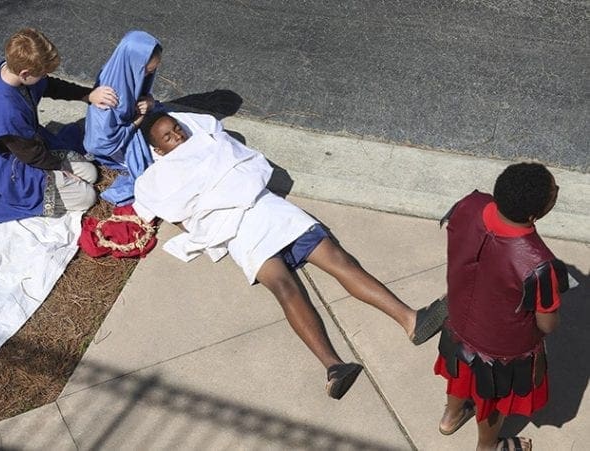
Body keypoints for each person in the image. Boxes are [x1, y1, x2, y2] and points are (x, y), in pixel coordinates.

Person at [133, 111, 448, 400]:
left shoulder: (207, 139)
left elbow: (207, 128)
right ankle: (333, 366)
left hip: (270, 212)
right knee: (286, 290)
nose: (179, 137)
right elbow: (172, 213)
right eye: (169, 138)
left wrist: (155, 109)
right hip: (240, 232)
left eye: (178, 129)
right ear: (157, 150)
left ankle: (411, 320)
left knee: (340, 263)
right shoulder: (159, 178)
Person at [434, 162, 569, 450]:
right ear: (535, 215)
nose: (556, 191)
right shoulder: (539, 264)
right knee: (491, 400)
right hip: (501, 352)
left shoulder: (468, 205)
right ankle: (488, 446)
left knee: (459, 371)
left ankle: (451, 417)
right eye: (553, 193)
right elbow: (547, 324)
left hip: (459, 320)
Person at [0, 28, 117, 225]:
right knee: (87, 196)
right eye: (42, 74)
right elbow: (30, 154)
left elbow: (50, 86)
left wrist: (87, 95)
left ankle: (59, 178)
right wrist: (60, 168)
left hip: (30, 143)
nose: (45, 77)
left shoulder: (8, 69)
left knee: (90, 173)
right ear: (25, 74)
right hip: (14, 169)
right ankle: (17, 193)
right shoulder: (6, 111)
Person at [83, 30, 165, 205]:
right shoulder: (109, 95)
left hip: (135, 125)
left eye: (153, 71)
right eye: (147, 71)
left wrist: (150, 102)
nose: (149, 75)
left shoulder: (127, 72)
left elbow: (142, 96)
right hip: (119, 146)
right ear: (134, 65)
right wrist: (136, 122)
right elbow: (99, 143)